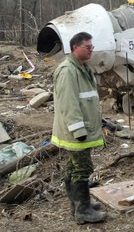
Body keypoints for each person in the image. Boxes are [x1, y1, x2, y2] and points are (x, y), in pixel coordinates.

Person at [51, 32, 106, 225]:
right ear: (75, 47)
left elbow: (87, 100)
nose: (91, 50)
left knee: (73, 167)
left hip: (83, 129)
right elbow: (69, 104)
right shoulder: (68, 70)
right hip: (76, 133)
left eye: (92, 47)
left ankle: (78, 206)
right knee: (82, 168)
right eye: (87, 47)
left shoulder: (82, 68)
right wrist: (79, 131)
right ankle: (83, 210)